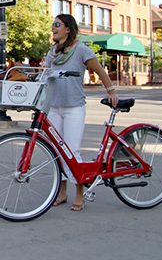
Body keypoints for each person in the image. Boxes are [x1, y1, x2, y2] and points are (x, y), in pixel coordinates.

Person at [45, 14, 118, 212]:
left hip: (74, 108)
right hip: (54, 107)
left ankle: (80, 194)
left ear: (68, 29)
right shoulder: (52, 53)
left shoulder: (81, 50)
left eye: (57, 24)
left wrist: (111, 92)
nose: (53, 27)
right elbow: (45, 76)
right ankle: (62, 192)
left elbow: (100, 71)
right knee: (57, 152)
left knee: (71, 150)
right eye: (53, 24)